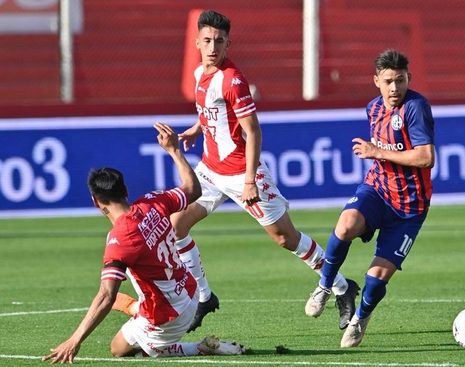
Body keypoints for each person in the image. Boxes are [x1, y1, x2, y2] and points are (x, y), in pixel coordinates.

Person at [110, 9, 359, 331]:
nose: (213, 47)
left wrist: (250, 180)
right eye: (208, 40)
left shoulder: (233, 80)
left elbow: (252, 132)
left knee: (285, 238)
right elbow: (211, 112)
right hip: (211, 171)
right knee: (174, 227)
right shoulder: (201, 73)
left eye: (220, 41)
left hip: (242, 172)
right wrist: (195, 130)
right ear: (198, 42)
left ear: (228, 44)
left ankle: (342, 286)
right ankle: (203, 297)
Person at [43, 123, 245, 364]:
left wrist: (75, 339)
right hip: (190, 291)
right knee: (133, 293)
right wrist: (174, 151)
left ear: (96, 202)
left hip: (169, 316)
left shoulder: (119, 240)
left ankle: (198, 347)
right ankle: (137, 310)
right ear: (125, 191)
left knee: (118, 348)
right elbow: (193, 189)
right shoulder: (152, 201)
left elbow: (106, 296)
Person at [305, 49, 435, 348]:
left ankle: (360, 318)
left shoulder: (415, 108)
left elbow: (426, 157)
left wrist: (376, 152)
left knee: (376, 278)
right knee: (346, 224)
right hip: (377, 190)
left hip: (409, 209)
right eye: (388, 81)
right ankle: (324, 286)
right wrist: (379, 157)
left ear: (408, 79)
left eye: (400, 80)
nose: (394, 88)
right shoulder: (373, 108)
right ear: (376, 81)